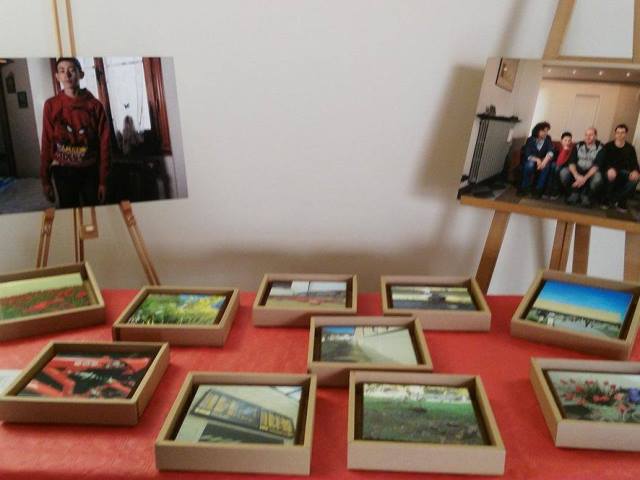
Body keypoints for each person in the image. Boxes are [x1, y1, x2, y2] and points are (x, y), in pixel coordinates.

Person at [40, 57, 110, 208]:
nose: (67, 75)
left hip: (89, 169)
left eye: (71, 70)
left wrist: (103, 181)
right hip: (63, 171)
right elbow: (46, 142)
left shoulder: (95, 106)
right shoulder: (51, 105)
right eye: (62, 71)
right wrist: (45, 180)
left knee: (94, 212)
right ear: (57, 76)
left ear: (81, 74)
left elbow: (105, 144)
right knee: (70, 214)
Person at [559, 127, 603, 208]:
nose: (588, 137)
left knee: (598, 177)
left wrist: (584, 178)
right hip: (578, 170)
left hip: (590, 172)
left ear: (596, 136)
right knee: (563, 172)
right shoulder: (578, 145)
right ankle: (573, 193)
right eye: (586, 135)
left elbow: (596, 166)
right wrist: (576, 175)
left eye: (591, 135)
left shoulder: (601, 147)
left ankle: (586, 195)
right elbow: (571, 163)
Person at [600, 124, 640, 211]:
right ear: (615, 134)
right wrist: (609, 169)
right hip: (609, 171)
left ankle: (618, 200)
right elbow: (602, 162)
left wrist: (636, 171)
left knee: (635, 179)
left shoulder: (630, 148)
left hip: (624, 172)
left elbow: (635, 163)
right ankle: (607, 199)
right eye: (618, 132)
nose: (620, 135)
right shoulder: (608, 146)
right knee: (610, 175)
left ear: (626, 134)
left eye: (622, 133)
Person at [518, 121, 554, 198]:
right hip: (532, 160)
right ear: (538, 130)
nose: (546, 133)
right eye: (544, 131)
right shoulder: (530, 139)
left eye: (547, 131)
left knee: (546, 166)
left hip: (543, 161)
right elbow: (528, 154)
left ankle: (538, 189)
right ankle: (524, 187)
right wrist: (537, 160)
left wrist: (543, 162)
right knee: (529, 165)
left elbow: (550, 152)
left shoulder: (548, 140)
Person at [546, 131, 573, 199]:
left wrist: (565, 150)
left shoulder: (571, 149)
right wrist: (563, 150)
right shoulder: (557, 147)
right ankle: (549, 191)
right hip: (557, 166)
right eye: (565, 140)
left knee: (557, 168)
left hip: (567, 167)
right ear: (561, 141)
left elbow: (560, 162)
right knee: (553, 166)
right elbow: (558, 161)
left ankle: (556, 192)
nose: (567, 142)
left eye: (569, 141)